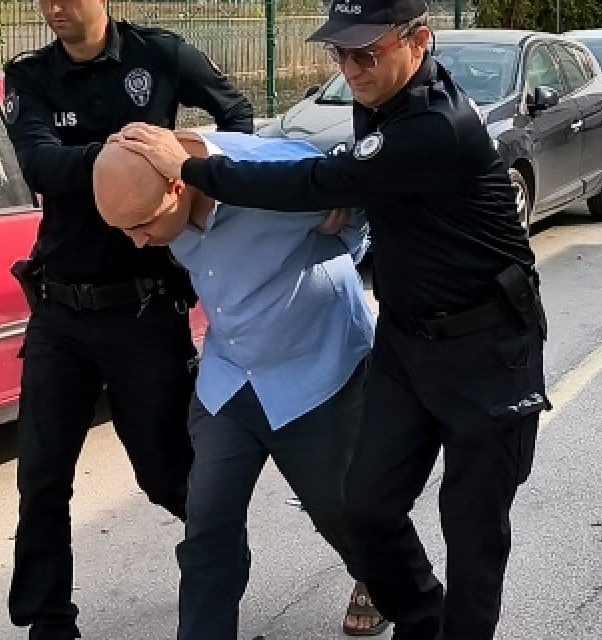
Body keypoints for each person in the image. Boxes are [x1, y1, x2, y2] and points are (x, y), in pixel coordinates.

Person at [113, 0, 549, 636]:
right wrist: (353, 194)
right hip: (404, 341)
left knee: (473, 531)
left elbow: (314, 182)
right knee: (366, 508)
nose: (351, 69)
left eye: (365, 52)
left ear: (419, 41)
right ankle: (422, 617)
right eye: (340, 53)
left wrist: (195, 168)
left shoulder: (439, 125)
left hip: (486, 348)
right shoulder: (381, 99)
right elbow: (355, 179)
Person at [0, 0, 254, 637]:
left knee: (168, 474)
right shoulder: (31, 75)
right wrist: (132, 160)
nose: (54, 7)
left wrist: (196, 176)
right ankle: (47, 623)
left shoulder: (158, 56)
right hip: (59, 311)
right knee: (42, 476)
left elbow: (237, 113)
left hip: (144, 309)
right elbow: (40, 164)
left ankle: (220, 570)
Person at [92, 131, 388, 637]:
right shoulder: (149, 185)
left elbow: (366, 198)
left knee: (339, 511)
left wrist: (344, 222)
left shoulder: (270, 175)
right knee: (207, 527)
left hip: (317, 374)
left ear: (178, 188)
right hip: (229, 379)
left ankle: (380, 578)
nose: (137, 242)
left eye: (142, 226)